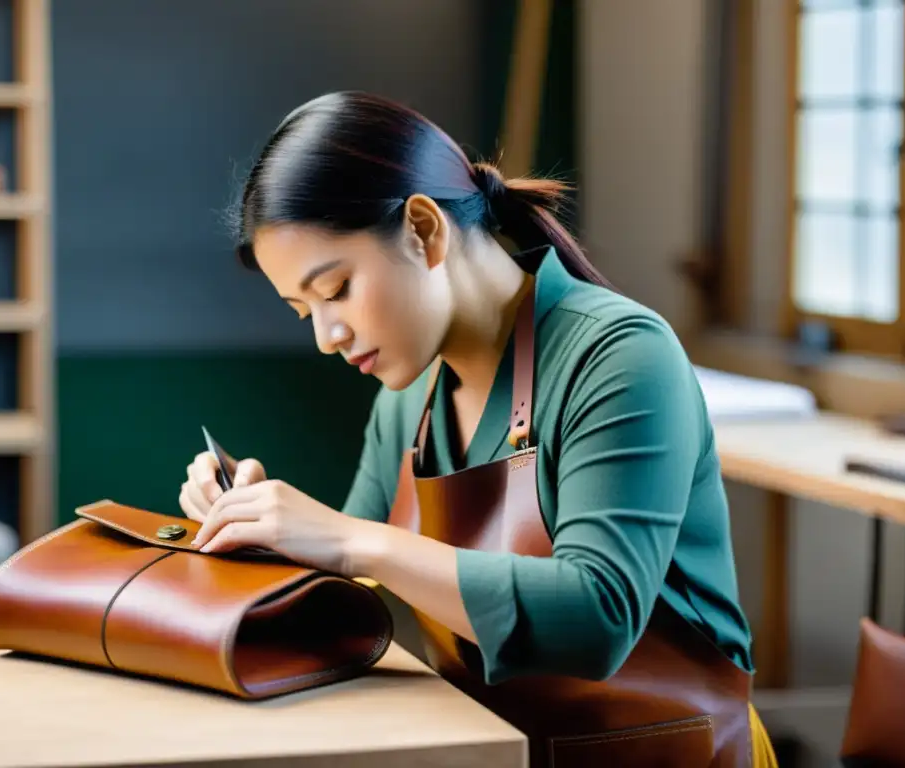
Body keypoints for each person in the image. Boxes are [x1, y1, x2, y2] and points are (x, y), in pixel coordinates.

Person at [178, 91, 778, 768]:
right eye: (302, 311)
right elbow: (351, 606)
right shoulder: (409, 399)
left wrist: (349, 539)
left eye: (337, 288)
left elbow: (597, 617)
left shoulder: (620, 355)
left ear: (424, 230)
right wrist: (268, 540)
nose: (327, 336)